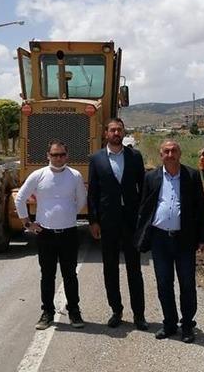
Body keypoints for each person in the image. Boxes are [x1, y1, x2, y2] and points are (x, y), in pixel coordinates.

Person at [135, 139, 204, 344]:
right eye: (166, 151)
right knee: (164, 283)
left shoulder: (192, 175)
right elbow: (145, 207)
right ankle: (169, 323)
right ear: (161, 155)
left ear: (180, 153)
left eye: (174, 150)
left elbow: (200, 208)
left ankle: (187, 325)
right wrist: (142, 235)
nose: (170, 154)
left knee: (187, 284)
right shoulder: (151, 177)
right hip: (160, 239)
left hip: (184, 239)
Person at [14, 139, 87, 330]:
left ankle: (74, 312)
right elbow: (20, 198)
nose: (58, 158)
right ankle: (47, 312)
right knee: (47, 275)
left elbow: (81, 200)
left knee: (70, 274)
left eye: (62, 154)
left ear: (67, 156)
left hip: (69, 233)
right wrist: (27, 223)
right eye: (54, 155)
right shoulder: (38, 175)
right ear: (48, 156)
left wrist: (67, 214)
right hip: (45, 234)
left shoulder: (75, 176)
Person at [87, 118, 148, 330]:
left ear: (123, 133)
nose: (116, 133)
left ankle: (139, 315)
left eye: (119, 130)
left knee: (134, 269)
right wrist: (93, 221)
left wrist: (143, 218)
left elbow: (143, 188)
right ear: (105, 133)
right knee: (110, 269)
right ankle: (116, 310)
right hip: (108, 222)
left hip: (131, 222)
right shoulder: (96, 159)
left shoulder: (134, 157)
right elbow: (92, 193)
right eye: (112, 130)